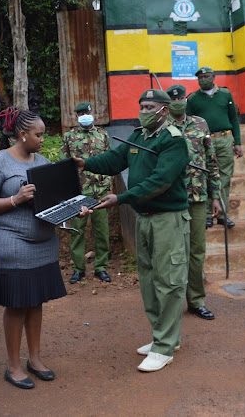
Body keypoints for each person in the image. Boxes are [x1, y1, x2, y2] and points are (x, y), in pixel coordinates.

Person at [73, 89, 190, 373]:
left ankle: (164, 348)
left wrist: (121, 198)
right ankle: (162, 337)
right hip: (145, 218)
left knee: (170, 281)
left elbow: (159, 181)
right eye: (141, 105)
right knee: (149, 279)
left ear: (164, 110)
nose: (143, 110)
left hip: (168, 219)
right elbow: (115, 160)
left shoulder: (173, 141)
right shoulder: (138, 136)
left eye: (149, 106)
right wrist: (85, 163)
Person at [0, 107, 70, 389]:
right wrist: (15, 199)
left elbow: (52, 199)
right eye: (39, 135)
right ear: (22, 134)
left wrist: (71, 207)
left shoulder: (41, 161)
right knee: (17, 304)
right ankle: (14, 365)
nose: (43, 139)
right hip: (11, 243)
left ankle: (36, 359)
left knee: (36, 300)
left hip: (43, 243)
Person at [166, 84, 223, 320]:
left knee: (197, 251)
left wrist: (216, 195)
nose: (178, 101)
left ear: (186, 100)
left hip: (198, 197)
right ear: (167, 103)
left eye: (181, 97)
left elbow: (211, 159)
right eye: (174, 99)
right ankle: (171, 303)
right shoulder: (162, 127)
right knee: (172, 252)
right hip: (170, 199)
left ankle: (196, 300)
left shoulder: (200, 124)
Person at [60, 101, 113, 284]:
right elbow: (64, 164)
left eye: (86, 112)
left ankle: (101, 267)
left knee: (102, 231)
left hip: (100, 192)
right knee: (77, 232)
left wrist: (108, 183)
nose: (84, 115)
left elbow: (109, 160)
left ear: (92, 112)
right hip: (79, 193)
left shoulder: (103, 135)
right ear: (76, 116)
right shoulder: (69, 136)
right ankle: (78, 269)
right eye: (80, 113)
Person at [186, 66, 243, 228]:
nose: (203, 79)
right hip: (203, 141)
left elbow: (234, 119)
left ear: (213, 77)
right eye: (200, 77)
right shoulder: (193, 99)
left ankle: (223, 214)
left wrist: (237, 142)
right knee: (205, 176)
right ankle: (207, 215)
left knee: (224, 177)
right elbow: (189, 123)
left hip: (224, 139)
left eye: (206, 76)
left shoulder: (225, 95)